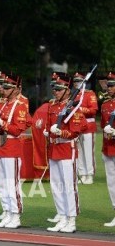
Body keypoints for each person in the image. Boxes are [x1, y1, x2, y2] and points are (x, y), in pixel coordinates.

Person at [45, 73, 87, 233]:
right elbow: (49, 125)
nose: (55, 91)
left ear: (67, 91)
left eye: (59, 89)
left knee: (69, 186)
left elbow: (77, 131)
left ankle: (71, 219)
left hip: (67, 149)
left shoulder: (73, 107)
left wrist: (61, 132)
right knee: (56, 186)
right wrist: (48, 132)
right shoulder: (53, 106)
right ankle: (62, 216)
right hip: (54, 149)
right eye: (54, 89)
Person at [0, 73, 31, 229]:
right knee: (3, 183)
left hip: (12, 147)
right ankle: (7, 211)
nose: (4, 89)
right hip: (0, 146)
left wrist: (1, 122)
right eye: (4, 87)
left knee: (12, 183)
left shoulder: (19, 106)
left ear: (15, 89)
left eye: (7, 87)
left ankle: (16, 214)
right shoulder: (3, 104)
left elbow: (18, 130)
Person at [72, 72, 98, 185]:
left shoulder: (89, 94)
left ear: (83, 82)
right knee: (79, 152)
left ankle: (90, 174)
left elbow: (93, 110)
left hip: (88, 126)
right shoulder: (74, 95)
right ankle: (82, 174)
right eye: (75, 81)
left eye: (79, 81)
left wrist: (80, 109)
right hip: (77, 127)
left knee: (88, 151)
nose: (76, 83)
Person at [99, 72, 115, 227]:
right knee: (111, 182)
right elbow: (103, 126)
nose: (108, 88)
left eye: (112, 85)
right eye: (108, 85)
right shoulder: (105, 105)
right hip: (108, 148)